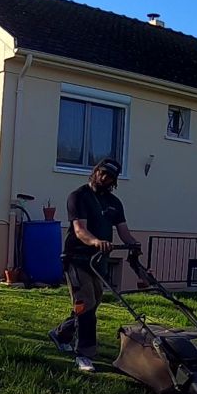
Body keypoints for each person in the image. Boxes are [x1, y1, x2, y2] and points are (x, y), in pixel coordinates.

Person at [48, 157, 140, 372]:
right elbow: (80, 230)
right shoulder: (78, 196)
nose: (105, 177)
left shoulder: (114, 203)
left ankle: (61, 334)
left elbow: (124, 231)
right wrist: (96, 241)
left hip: (99, 261)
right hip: (77, 258)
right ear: (96, 171)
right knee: (85, 303)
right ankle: (84, 354)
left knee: (91, 304)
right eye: (102, 172)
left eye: (110, 176)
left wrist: (133, 244)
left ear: (114, 181)